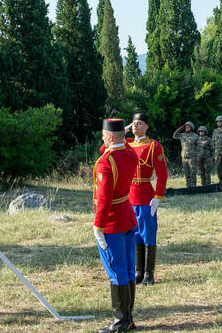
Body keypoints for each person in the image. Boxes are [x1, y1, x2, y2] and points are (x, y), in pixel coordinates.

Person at [93, 118, 138, 333]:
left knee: (116, 270)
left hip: (111, 221)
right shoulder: (130, 154)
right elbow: (121, 145)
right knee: (129, 269)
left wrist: (97, 227)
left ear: (110, 136)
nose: (102, 138)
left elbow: (103, 198)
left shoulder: (106, 162)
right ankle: (128, 318)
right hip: (127, 216)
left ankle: (120, 322)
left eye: (104, 135)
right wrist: (121, 135)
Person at [126, 112, 167, 285]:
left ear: (146, 126)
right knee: (135, 235)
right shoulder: (126, 144)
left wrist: (158, 196)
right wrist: (123, 129)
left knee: (148, 234)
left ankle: (149, 274)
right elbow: (104, 148)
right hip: (129, 198)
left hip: (145, 197)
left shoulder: (153, 146)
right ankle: (138, 271)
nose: (136, 125)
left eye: (140, 123)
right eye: (134, 123)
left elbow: (162, 173)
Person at [172, 121, 201, 187]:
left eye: (188, 127)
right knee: (186, 173)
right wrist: (179, 129)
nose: (187, 128)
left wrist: (198, 157)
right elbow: (174, 136)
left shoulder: (195, 136)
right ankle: (188, 187)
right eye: (186, 127)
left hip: (192, 158)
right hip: (184, 158)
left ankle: (193, 188)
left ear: (191, 128)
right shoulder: (182, 135)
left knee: (193, 173)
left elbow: (200, 147)